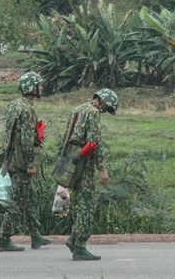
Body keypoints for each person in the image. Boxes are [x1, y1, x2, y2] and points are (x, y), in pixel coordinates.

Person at [0, 72, 52, 252]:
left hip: (12, 159)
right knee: (17, 200)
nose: (41, 88)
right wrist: (30, 163)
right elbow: (27, 139)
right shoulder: (28, 110)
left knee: (27, 198)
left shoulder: (14, 105)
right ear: (31, 88)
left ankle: (35, 235)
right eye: (39, 85)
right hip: (21, 162)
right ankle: (4, 238)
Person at [65, 88, 118, 261]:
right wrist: (102, 168)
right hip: (84, 164)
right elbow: (94, 142)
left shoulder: (79, 109)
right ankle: (80, 245)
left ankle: (73, 238)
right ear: (103, 102)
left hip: (71, 160)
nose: (103, 112)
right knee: (87, 204)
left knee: (80, 202)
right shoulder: (93, 113)